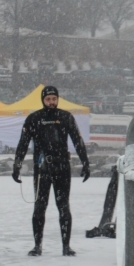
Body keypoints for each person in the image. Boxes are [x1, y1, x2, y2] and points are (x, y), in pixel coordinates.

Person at [12, 85, 90, 256]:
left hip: (61, 167)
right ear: (43, 100)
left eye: (54, 99)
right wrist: (17, 165)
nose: (51, 102)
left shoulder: (65, 117)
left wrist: (85, 163)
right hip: (42, 169)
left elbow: (77, 141)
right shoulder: (34, 118)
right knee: (40, 207)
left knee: (63, 207)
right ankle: (37, 246)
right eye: (48, 99)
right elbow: (23, 143)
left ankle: (66, 246)